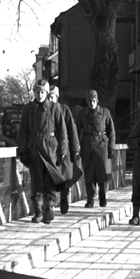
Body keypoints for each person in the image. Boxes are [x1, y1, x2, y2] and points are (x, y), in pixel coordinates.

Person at [16, 79, 68, 224]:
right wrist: (23, 150)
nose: (40, 95)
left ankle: (49, 206)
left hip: (50, 147)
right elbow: (23, 131)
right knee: (36, 179)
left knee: (50, 178)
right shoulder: (29, 109)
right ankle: (38, 210)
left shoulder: (54, 108)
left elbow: (62, 132)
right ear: (34, 93)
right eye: (37, 92)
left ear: (47, 93)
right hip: (34, 147)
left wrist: (62, 150)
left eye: (43, 92)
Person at [78, 89, 116, 208]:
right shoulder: (82, 114)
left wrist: (111, 146)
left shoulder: (105, 112)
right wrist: (76, 147)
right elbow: (76, 130)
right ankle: (90, 199)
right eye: (89, 101)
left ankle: (102, 197)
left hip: (102, 145)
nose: (91, 103)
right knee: (89, 173)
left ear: (97, 100)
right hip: (87, 145)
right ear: (86, 101)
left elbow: (111, 131)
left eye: (93, 100)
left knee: (102, 172)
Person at [49, 85, 81, 215]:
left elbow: (72, 131)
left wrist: (74, 150)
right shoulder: (45, 110)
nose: (50, 99)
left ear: (57, 97)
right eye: (48, 97)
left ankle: (64, 199)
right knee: (50, 176)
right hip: (50, 147)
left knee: (65, 177)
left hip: (64, 148)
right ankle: (49, 204)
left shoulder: (64, 110)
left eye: (52, 97)